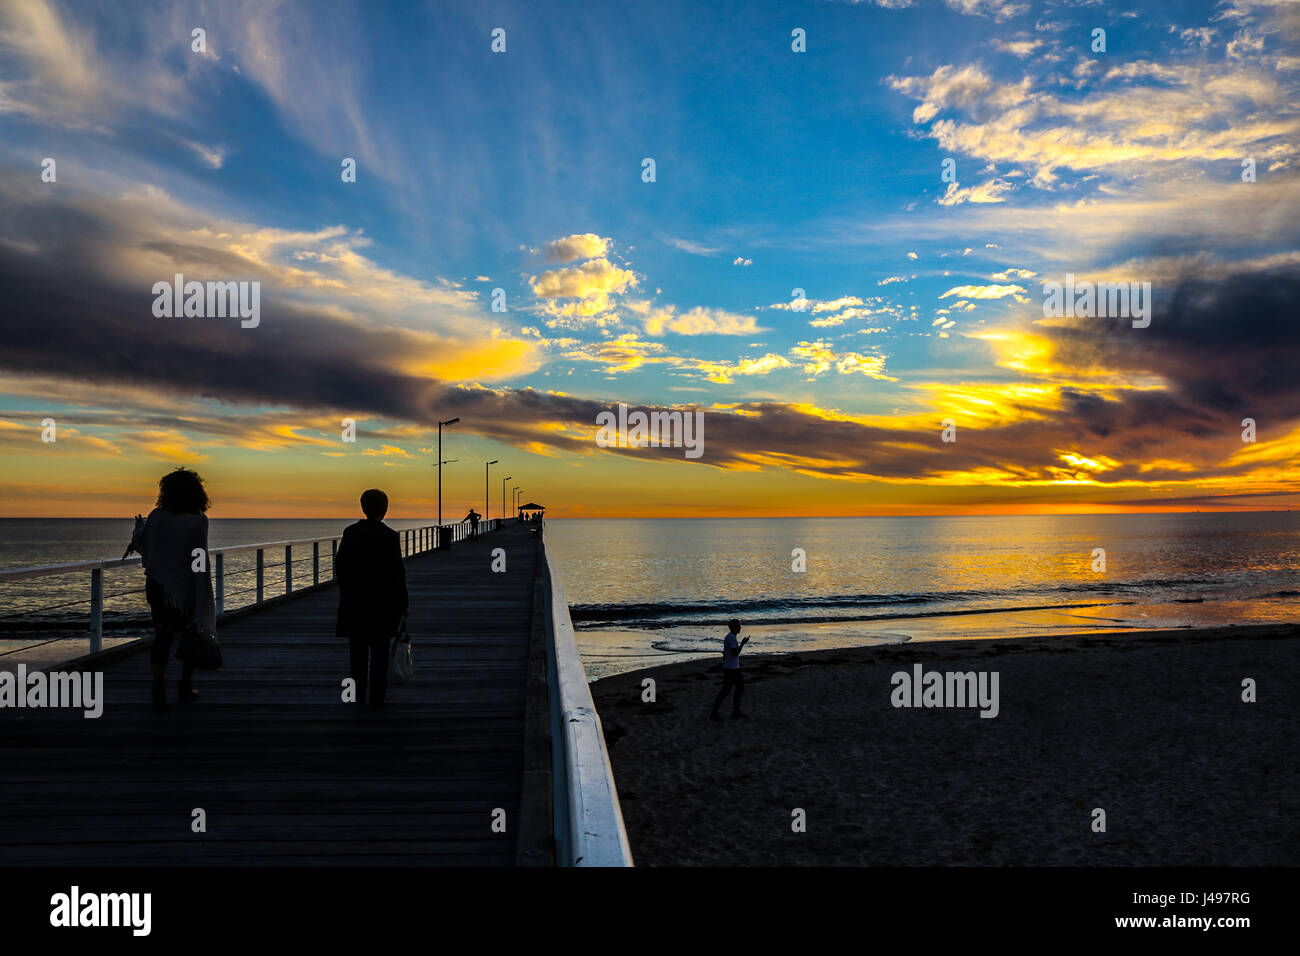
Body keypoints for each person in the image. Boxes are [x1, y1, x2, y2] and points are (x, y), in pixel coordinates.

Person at [131, 468, 215, 713]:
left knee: (162, 636)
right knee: (191, 633)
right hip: (188, 587)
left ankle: (158, 686)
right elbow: (198, 555)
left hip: (159, 586)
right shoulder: (199, 520)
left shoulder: (157, 517)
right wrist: (198, 584)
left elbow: (144, 543)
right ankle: (185, 685)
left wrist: (138, 528)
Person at [335, 489, 408, 709]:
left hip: (355, 603)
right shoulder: (389, 536)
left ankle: (356, 696)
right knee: (380, 654)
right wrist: (403, 606)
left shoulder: (350, 533)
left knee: (356, 654)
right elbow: (397, 575)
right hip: (382, 606)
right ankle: (377, 698)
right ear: (385, 509)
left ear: (363, 507)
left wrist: (347, 593)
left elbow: (340, 566)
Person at [710, 618, 750, 720]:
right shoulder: (731, 638)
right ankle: (715, 713)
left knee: (738, 689)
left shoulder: (730, 637)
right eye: (738, 626)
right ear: (734, 627)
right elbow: (735, 653)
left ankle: (735, 712)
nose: (740, 627)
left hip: (733, 668)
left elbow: (725, 653)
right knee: (726, 691)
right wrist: (742, 644)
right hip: (731, 669)